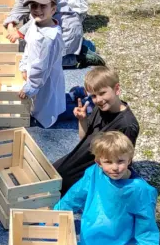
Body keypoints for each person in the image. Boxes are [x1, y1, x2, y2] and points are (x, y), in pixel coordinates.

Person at [54, 66, 139, 194]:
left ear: (117, 89)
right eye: (93, 96)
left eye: (102, 93)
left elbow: (121, 163)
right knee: (52, 172)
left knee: (59, 187)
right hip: (83, 156)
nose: (98, 100)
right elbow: (84, 139)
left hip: (96, 167)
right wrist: (82, 120)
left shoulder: (126, 125)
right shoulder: (101, 108)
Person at [19, 0, 65, 128]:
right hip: (35, 74)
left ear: (53, 9)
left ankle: (76, 102)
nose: (37, 10)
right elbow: (28, 46)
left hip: (45, 78)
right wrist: (24, 65)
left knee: (48, 106)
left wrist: (30, 87)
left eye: (43, 6)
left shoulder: (49, 38)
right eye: (34, 6)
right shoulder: (36, 22)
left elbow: (42, 66)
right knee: (41, 102)